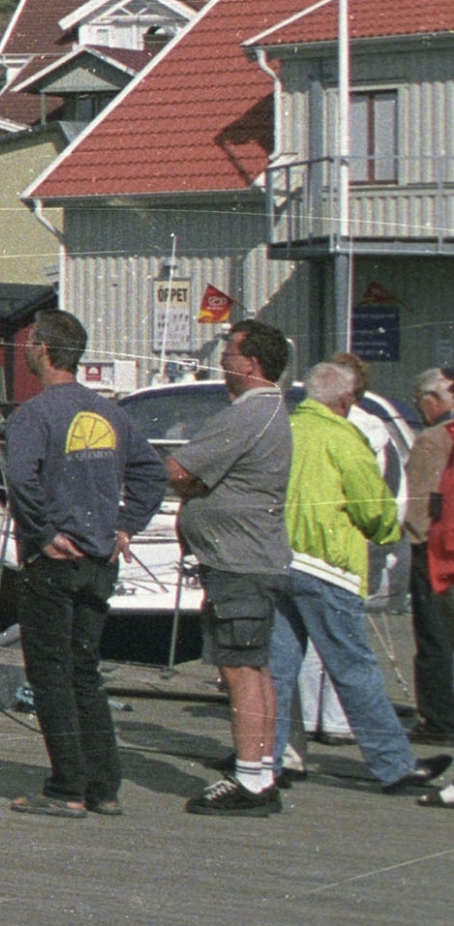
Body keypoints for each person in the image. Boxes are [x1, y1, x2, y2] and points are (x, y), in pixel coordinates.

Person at [0, 309, 163, 815]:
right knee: (84, 670)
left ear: (43, 349)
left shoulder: (34, 414)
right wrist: (124, 525)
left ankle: (68, 788)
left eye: (30, 341)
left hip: (55, 561)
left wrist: (43, 533)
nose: (26, 348)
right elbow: (152, 475)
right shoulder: (110, 412)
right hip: (98, 560)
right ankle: (103, 787)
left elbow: (18, 481)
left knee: (49, 672)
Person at [260, 358, 430, 793]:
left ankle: (268, 759)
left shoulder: (284, 428)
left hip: (278, 561)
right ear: (346, 399)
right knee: (354, 668)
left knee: (277, 670)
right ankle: (393, 765)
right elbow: (375, 508)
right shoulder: (344, 438)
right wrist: (388, 532)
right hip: (327, 566)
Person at [171, 322, 301, 815]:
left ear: (250, 363)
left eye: (229, 352)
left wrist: (187, 489)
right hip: (254, 558)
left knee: (240, 670)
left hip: (238, 561)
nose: (222, 359)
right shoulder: (268, 411)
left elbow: (183, 470)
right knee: (255, 666)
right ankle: (261, 770)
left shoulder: (250, 413)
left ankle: (249, 780)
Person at [406, 368, 454, 740]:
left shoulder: (433, 440)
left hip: (437, 553)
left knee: (434, 637)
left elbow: (422, 503)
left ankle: (438, 719)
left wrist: (417, 545)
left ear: (432, 400)